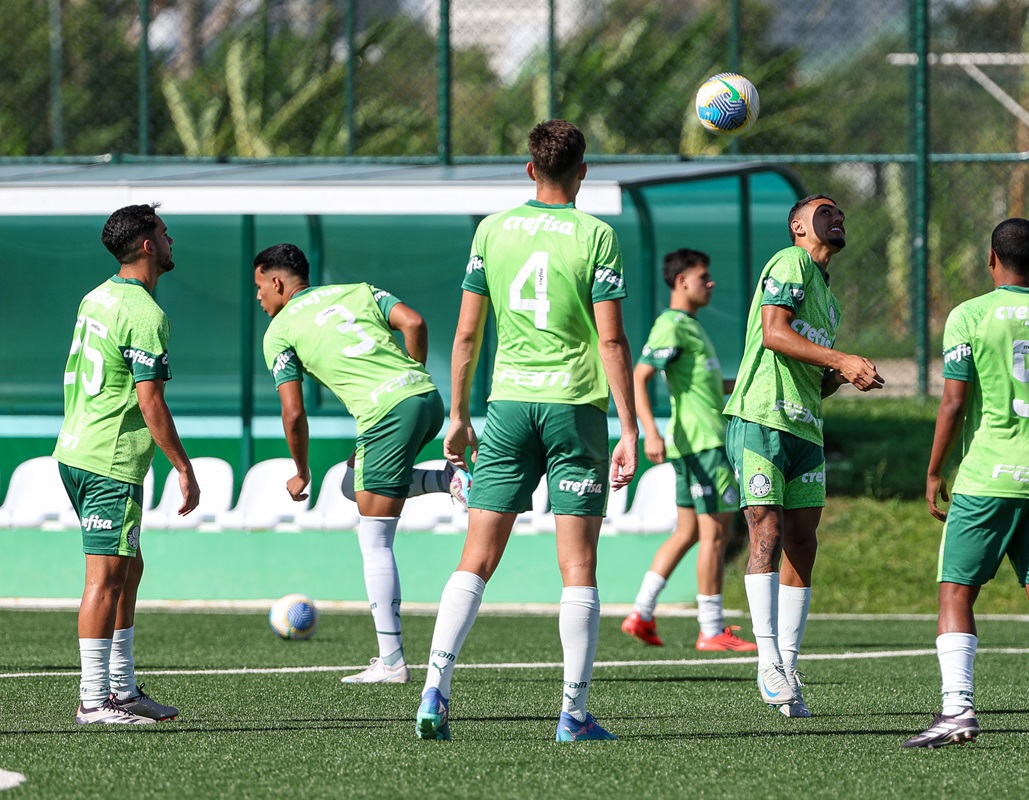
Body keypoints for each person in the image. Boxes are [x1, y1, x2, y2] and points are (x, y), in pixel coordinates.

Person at [415, 119, 639, 743]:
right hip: (575, 408)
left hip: (508, 404)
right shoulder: (597, 235)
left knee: (476, 558)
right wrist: (629, 426)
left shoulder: (492, 229)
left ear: (529, 170)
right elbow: (612, 338)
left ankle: (435, 686)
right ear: (583, 172)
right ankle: (573, 713)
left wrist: (459, 415)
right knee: (578, 567)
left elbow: (465, 334)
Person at [902, 218, 1029, 749]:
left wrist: (933, 469)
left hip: (987, 477)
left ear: (991, 258)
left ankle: (958, 712)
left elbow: (953, 400)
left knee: (956, 590)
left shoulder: (970, 316)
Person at [253, 243, 467, 685]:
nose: (259, 298)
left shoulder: (278, 332)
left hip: (386, 413)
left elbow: (293, 413)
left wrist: (302, 470)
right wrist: (411, 376)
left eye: (259, 287)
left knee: (374, 540)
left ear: (276, 283)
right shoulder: (357, 290)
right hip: (426, 398)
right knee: (354, 485)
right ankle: (447, 479)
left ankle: (391, 663)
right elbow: (415, 322)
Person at [724, 194, 884, 718]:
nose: (837, 216)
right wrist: (841, 357)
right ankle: (766, 660)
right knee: (766, 534)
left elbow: (814, 382)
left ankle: (788, 665)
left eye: (841, 212)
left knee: (803, 543)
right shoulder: (789, 261)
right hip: (762, 418)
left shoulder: (829, 300)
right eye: (824, 210)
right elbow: (774, 333)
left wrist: (841, 376)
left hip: (804, 426)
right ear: (797, 225)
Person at [54, 203, 200, 724]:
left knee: (129, 569)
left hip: (77, 449)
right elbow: (151, 402)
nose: (170, 241)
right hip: (107, 459)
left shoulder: (96, 297)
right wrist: (184, 467)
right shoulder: (145, 313)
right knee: (105, 578)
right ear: (146, 245)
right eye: (164, 233)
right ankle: (96, 701)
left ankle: (123, 689)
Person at [621, 248, 755, 652]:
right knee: (717, 532)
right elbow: (639, 376)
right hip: (702, 444)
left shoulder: (692, 327)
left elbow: (706, 388)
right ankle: (711, 628)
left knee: (689, 531)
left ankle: (641, 612)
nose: (710, 283)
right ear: (682, 282)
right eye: (703, 276)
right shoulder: (672, 325)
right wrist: (650, 432)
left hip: (696, 443)